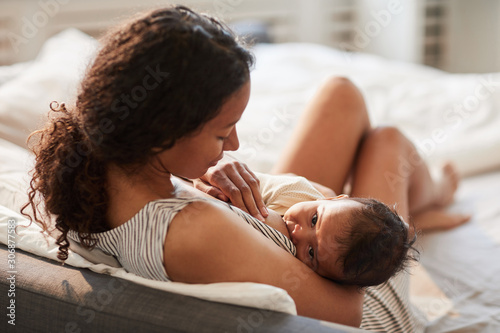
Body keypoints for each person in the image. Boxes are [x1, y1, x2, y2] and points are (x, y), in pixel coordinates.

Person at [22, 5, 470, 330]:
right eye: (222, 133)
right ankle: (425, 204)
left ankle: (417, 204)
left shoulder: (97, 167)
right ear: (164, 131)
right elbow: (347, 313)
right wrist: (341, 224)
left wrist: (198, 179)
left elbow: (214, 219)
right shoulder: (196, 231)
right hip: (359, 285)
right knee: (389, 142)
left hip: (282, 230)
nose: (234, 144)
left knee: (341, 94)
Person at [253, 172, 416, 288]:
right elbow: (243, 181)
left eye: (311, 252)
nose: (297, 233)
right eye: (314, 220)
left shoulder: (317, 278)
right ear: (333, 198)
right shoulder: (293, 190)